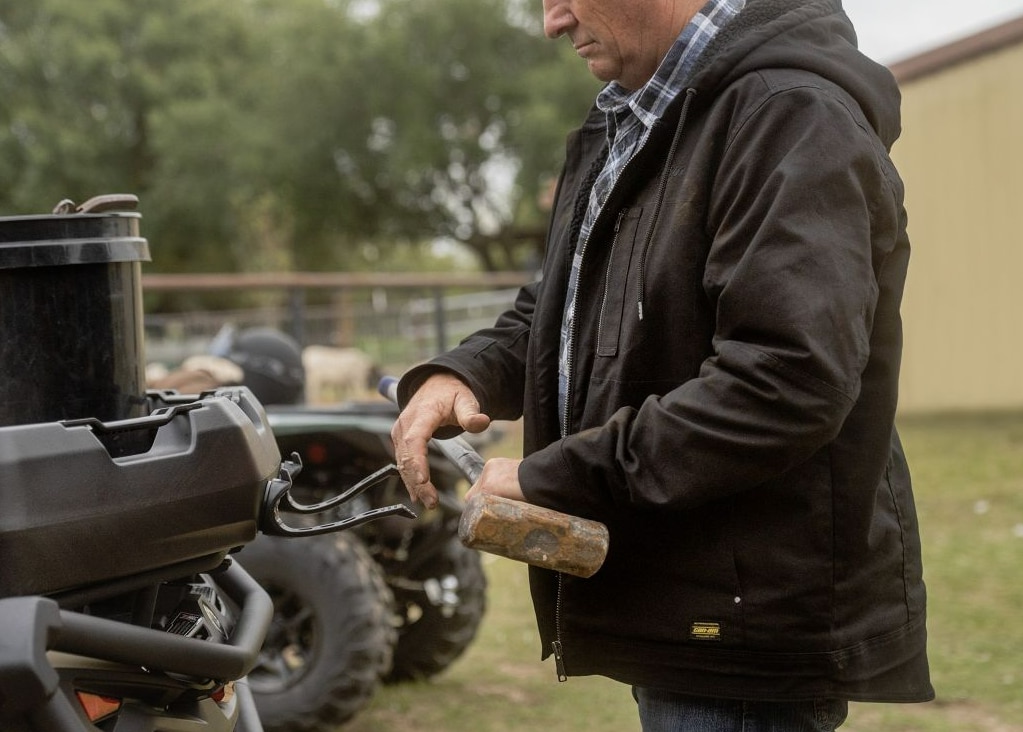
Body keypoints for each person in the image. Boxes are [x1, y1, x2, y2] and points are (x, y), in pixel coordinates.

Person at [390, 0, 933, 728]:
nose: (552, 22)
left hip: (742, 635)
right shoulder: (638, 117)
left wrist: (555, 478)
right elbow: (564, 301)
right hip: (691, 612)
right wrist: (464, 373)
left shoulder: (790, 114)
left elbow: (784, 383)